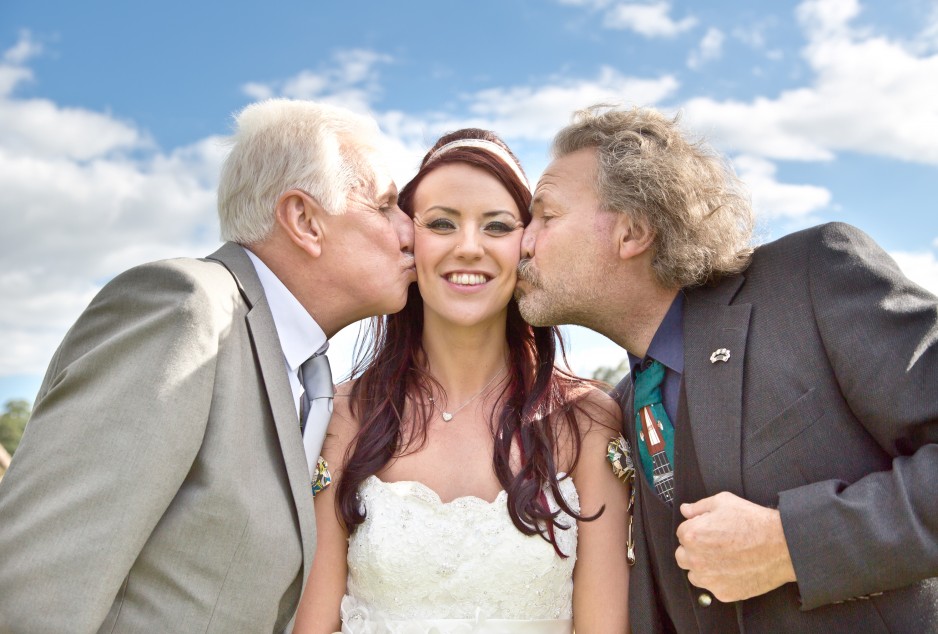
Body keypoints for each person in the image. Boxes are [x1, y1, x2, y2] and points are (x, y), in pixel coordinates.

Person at [515, 104, 938, 633]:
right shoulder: (620, 407)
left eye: (545, 217)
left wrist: (790, 544)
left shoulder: (813, 278)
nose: (521, 242)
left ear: (633, 231)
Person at [0, 99, 417, 632]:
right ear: (304, 220)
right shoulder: (187, 309)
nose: (411, 231)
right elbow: (37, 587)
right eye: (385, 206)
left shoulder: (310, 377)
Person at [293, 129, 630, 633]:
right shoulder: (343, 416)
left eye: (496, 226)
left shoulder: (586, 422)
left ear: (528, 242)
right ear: (409, 239)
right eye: (442, 223)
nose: (469, 248)